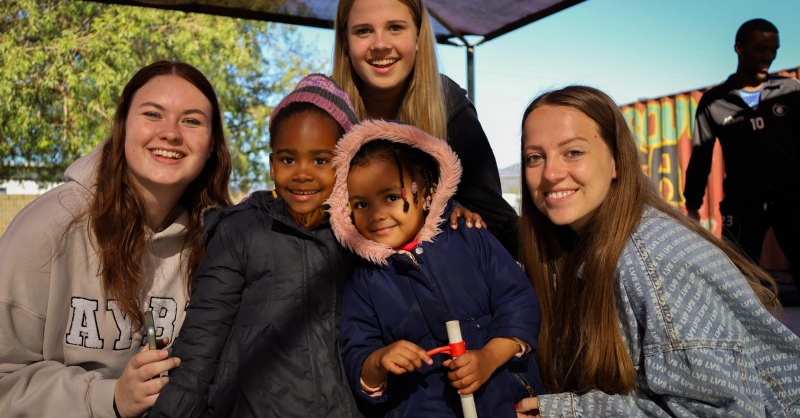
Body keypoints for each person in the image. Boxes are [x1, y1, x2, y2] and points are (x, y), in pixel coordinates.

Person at [515, 85, 800, 417]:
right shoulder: (577, 246)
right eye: (534, 157)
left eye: (573, 152)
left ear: (617, 161)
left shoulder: (654, 261)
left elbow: (721, 413)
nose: (550, 173)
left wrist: (567, 411)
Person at [0, 60, 233, 418]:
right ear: (122, 126)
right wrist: (109, 398)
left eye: (191, 120)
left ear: (212, 145)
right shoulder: (48, 228)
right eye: (153, 114)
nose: (170, 133)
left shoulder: (222, 242)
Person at [148, 74, 362, 418]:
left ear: (346, 164)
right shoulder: (240, 229)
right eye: (288, 159)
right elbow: (201, 342)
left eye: (321, 160)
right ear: (271, 163)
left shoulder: (361, 237)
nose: (302, 173)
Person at [327, 120, 545, 418]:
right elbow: (357, 353)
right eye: (361, 204)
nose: (377, 214)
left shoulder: (469, 235)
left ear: (427, 194)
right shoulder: (362, 278)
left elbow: (519, 300)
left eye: (392, 197)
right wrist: (378, 361)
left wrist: (489, 358)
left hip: (508, 402)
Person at [332, 0, 521, 258]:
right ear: (345, 42)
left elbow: (496, 222)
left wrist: (453, 217)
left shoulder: (450, 109)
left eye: (395, 28)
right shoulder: (322, 113)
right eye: (364, 31)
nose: (380, 44)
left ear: (419, 36)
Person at [684, 18, 800, 294]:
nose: (769, 57)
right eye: (761, 49)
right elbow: (701, 154)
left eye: (774, 50)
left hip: (793, 198)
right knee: (738, 279)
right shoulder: (714, 101)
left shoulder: (791, 91)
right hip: (742, 202)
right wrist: (692, 206)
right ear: (738, 48)